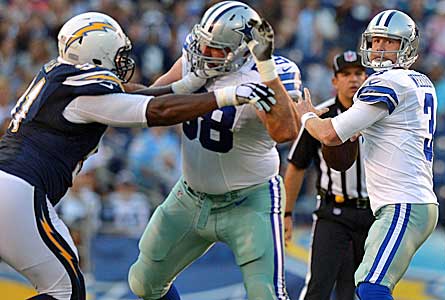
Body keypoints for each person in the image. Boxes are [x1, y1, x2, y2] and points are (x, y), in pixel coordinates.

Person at [0, 11, 276, 300]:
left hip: (11, 183)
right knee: (66, 292)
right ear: (97, 55)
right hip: (19, 190)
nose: (123, 62)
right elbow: (157, 112)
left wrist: (186, 84)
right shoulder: (85, 96)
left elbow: (139, 94)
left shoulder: (61, 75)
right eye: (118, 54)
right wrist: (227, 96)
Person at [127, 2, 301, 300]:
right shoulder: (194, 61)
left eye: (216, 49)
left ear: (245, 50)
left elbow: (285, 132)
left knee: (267, 295)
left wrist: (267, 69)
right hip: (191, 197)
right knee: (144, 283)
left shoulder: (268, 73)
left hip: (250, 201)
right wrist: (185, 84)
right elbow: (151, 103)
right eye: (203, 45)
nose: (204, 54)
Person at [294, 10, 439, 300]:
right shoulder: (420, 81)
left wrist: (306, 117)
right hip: (410, 201)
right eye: (376, 42)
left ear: (407, 47)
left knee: (371, 286)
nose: (380, 49)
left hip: (403, 202)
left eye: (390, 42)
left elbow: (329, 134)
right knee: (366, 286)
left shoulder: (386, 83)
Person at [284, 51, 373, 300]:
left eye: (358, 73)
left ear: (366, 77)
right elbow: (296, 165)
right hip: (333, 212)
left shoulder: (379, 113)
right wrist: (287, 213)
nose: (353, 80)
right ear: (334, 81)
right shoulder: (320, 116)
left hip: (373, 213)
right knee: (318, 289)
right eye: (345, 74)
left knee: (361, 290)